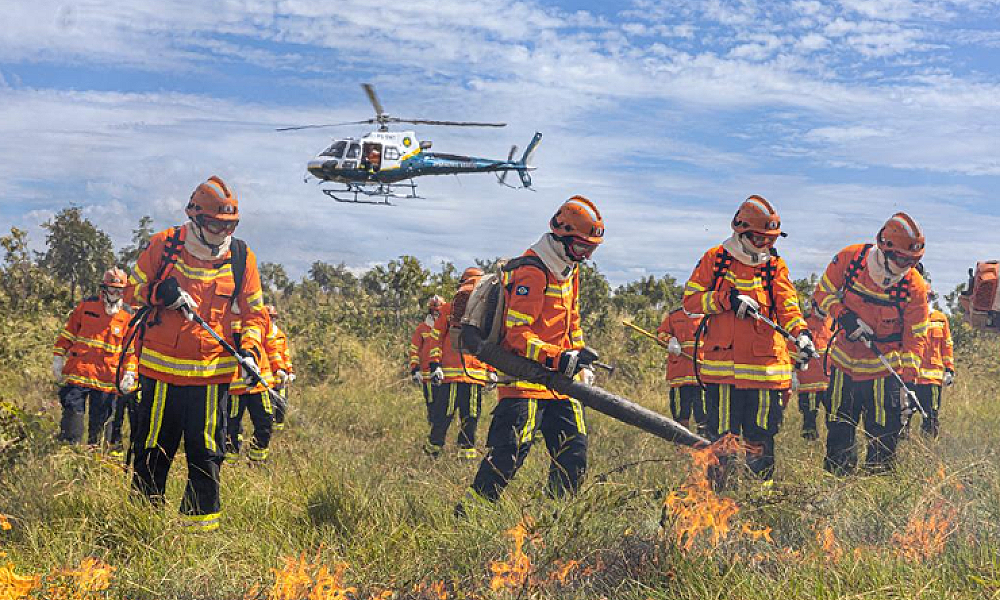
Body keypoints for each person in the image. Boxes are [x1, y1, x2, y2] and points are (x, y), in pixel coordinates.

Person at [126, 175, 267, 532]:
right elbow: (131, 290)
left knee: (206, 454)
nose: (223, 233)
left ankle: (199, 533)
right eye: (216, 225)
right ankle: (141, 526)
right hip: (161, 374)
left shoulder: (241, 256)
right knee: (153, 450)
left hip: (211, 376)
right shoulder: (165, 244)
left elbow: (254, 314)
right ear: (196, 218)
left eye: (230, 226)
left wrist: (250, 351)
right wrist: (160, 293)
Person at [463, 196, 603, 507]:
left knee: (573, 455)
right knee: (508, 456)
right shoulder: (532, 271)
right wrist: (558, 357)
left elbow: (573, 322)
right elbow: (518, 335)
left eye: (591, 249)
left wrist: (580, 359)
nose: (586, 256)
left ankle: (554, 518)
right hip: (524, 380)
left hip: (562, 385)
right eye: (582, 247)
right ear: (561, 235)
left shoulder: (569, 269)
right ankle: (470, 512)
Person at [682, 196, 813, 482]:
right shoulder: (716, 258)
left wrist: (801, 334)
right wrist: (726, 300)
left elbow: (789, 307)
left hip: (765, 375)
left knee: (760, 440)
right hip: (723, 374)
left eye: (771, 239)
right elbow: (690, 301)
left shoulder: (775, 266)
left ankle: (760, 498)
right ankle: (719, 498)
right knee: (722, 441)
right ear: (741, 231)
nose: (765, 245)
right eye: (759, 238)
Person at [813, 212, 929, 474]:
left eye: (913, 260)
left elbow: (915, 338)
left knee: (884, 433)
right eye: (902, 258)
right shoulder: (851, 259)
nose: (906, 266)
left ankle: (877, 484)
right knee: (839, 427)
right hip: (844, 365)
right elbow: (823, 293)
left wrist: (909, 382)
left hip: (883, 370)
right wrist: (844, 317)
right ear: (884, 248)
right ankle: (837, 481)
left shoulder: (914, 286)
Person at [53, 267, 138, 447]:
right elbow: (68, 334)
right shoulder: (87, 306)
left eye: (119, 290)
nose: (115, 294)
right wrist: (58, 357)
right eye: (112, 289)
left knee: (100, 434)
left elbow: (130, 351)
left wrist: (130, 374)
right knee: (72, 423)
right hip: (79, 373)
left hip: (107, 379)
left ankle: (95, 458)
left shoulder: (128, 316)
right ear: (104, 288)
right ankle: (68, 454)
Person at [426, 272, 491, 459]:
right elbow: (436, 338)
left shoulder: (481, 309)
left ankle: (456, 452)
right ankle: (441, 450)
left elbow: (490, 342)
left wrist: (491, 370)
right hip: (461, 374)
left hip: (466, 374)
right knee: (458, 415)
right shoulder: (453, 308)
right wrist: (435, 364)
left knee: (460, 415)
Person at [225, 307, 280, 463]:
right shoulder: (223, 309)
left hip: (259, 384)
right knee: (231, 427)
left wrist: (279, 369)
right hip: (234, 386)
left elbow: (271, 346)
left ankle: (257, 461)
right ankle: (230, 462)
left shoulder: (259, 312)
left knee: (265, 422)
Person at [656, 308, 706, 435]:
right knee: (680, 413)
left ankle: (705, 443)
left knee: (703, 413)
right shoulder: (674, 316)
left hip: (701, 376)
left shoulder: (708, 317)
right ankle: (680, 443)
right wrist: (670, 340)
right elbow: (660, 334)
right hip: (679, 374)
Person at [913, 288, 953, 437]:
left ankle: (929, 444)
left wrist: (949, 370)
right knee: (904, 414)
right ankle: (903, 444)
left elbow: (947, 345)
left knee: (931, 415)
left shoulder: (940, 319)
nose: (925, 299)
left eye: (927, 296)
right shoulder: (910, 317)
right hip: (912, 377)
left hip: (933, 379)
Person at [795, 299, 834, 441]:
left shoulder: (834, 322)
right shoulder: (804, 324)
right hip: (809, 384)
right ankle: (809, 447)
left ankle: (833, 444)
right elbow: (793, 349)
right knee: (809, 420)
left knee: (835, 419)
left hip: (830, 383)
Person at [409, 295, 443, 423]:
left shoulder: (447, 326)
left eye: (438, 311)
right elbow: (414, 349)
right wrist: (415, 369)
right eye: (434, 310)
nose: (436, 313)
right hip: (427, 374)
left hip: (444, 373)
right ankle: (432, 426)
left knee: (444, 406)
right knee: (431, 404)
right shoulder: (422, 328)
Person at [267, 305, 296, 431]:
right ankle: (269, 428)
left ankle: (279, 430)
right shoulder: (261, 335)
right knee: (269, 405)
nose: (272, 320)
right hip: (268, 378)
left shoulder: (280, 335)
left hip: (282, 379)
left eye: (273, 317)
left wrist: (290, 372)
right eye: (269, 317)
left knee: (282, 404)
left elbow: (285, 355)